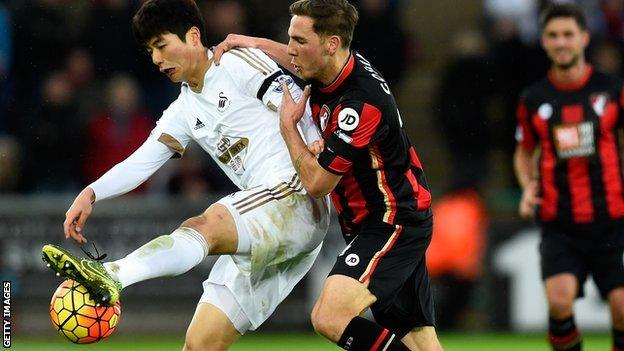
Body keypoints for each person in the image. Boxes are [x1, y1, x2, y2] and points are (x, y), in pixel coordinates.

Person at [41, 0, 330, 350]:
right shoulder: (183, 109)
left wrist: (320, 155)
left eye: (161, 46)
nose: (156, 59)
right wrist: (91, 192)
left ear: (193, 36)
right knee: (199, 344)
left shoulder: (236, 62)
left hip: (294, 195)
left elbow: (297, 105)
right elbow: (142, 162)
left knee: (202, 227)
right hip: (268, 224)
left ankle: (113, 274)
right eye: (150, 51)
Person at [213, 1, 442, 349]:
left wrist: (289, 127)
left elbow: (317, 185)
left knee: (329, 317)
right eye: (290, 38)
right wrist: (254, 43)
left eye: (299, 41)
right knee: (419, 338)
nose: (291, 50)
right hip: (381, 219)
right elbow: (294, 58)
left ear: (331, 44)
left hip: (393, 221)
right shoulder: (330, 67)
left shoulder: (359, 104)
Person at [514, 4, 624, 351]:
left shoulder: (612, 89)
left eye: (567, 34)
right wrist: (529, 186)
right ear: (544, 42)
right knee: (560, 303)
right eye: (553, 35)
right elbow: (523, 152)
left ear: (584, 38)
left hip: (612, 221)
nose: (561, 42)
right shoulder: (533, 99)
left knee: (623, 310)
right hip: (560, 222)